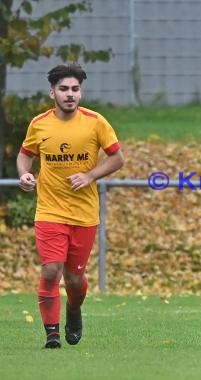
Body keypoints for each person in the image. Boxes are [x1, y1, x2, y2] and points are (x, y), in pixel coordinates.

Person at [17, 63, 125, 349]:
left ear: (81, 92)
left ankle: (74, 310)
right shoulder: (39, 124)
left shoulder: (96, 122)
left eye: (75, 89)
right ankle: (52, 334)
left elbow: (117, 158)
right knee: (51, 270)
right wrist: (24, 174)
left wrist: (90, 175)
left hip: (84, 215)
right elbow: (24, 155)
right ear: (52, 92)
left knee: (75, 278)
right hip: (50, 211)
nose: (70, 94)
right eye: (64, 89)